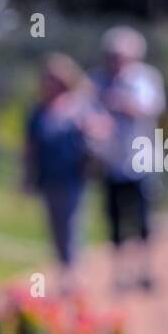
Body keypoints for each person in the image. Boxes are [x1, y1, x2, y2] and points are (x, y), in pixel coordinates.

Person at [22, 54, 110, 295]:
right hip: (48, 177)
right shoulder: (39, 111)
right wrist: (26, 178)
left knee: (71, 224)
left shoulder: (79, 107)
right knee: (55, 227)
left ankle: (73, 277)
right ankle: (66, 273)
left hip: (73, 177)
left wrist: (91, 133)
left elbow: (102, 128)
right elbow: (30, 147)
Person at [92, 26, 165, 292]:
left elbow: (147, 109)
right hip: (112, 163)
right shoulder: (98, 80)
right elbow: (91, 114)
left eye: (120, 55)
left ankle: (146, 271)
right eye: (111, 55)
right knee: (115, 222)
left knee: (144, 221)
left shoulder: (145, 79)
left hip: (142, 162)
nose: (115, 60)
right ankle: (119, 274)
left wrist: (118, 102)